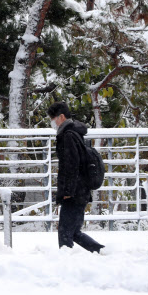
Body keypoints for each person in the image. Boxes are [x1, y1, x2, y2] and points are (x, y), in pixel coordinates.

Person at [48, 102, 104, 253]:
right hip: (80, 190)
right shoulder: (75, 133)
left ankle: (67, 263)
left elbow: (71, 165)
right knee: (74, 232)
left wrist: (67, 192)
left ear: (61, 116)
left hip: (74, 192)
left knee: (65, 233)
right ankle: (100, 252)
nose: (52, 122)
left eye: (53, 118)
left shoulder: (68, 136)